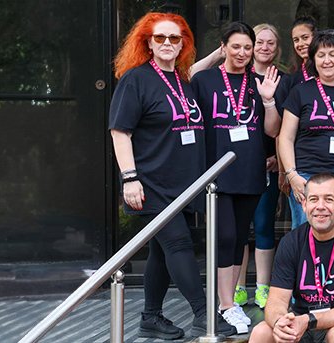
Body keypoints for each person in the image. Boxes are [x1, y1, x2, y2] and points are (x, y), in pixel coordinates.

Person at [108, 12, 231, 339]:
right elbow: (120, 132)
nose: (166, 43)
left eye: (174, 38)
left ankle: (150, 317)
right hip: (151, 184)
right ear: (147, 42)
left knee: (162, 253)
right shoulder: (135, 80)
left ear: (183, 44)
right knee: (177, 243)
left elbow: (194, 69)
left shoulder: (180, 78)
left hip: (183, 185)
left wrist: (220, 54)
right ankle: (205, 314)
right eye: (160, 37)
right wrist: (129, 178)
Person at [191, 21, 282, 335]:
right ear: (224, 47)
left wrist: (268, 99)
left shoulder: (259, 82)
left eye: (248, 47)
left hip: (250, 170)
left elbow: (272, 130)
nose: (243, 53)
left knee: (240, 236)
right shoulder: (205, 79)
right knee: (225, 236)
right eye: (236, 46)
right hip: (217, 171)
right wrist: (214, 56)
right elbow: (185, 76)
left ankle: (226, 303)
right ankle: (227, 304)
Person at [250, 173, 334, 343]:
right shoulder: (291, 242)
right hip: (301, 320)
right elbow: (276, 300)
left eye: (329, 199)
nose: (320, 206)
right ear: (304, 204)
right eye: (314, 199)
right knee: (262, 332)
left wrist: (309, 321)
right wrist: (280, 322)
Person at [279, 30, 334, 230]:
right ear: (313, 60)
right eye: (321, 55)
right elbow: (285, 137)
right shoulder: (300, 91)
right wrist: (292, 175)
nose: (327, 61)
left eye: (332, 54)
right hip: (307, 177)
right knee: (304, 235)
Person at [236, 22, 287, 311]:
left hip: (269, 164)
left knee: (265, 225)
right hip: (240, 164)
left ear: (276, 47)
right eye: (260, 42)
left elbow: (287, 126)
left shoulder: (284, 80)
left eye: (270, 42)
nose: (265, 47)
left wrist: (279, 160)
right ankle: (240, 287)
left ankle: (264, 288)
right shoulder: (237, 77)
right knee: (240, 229)